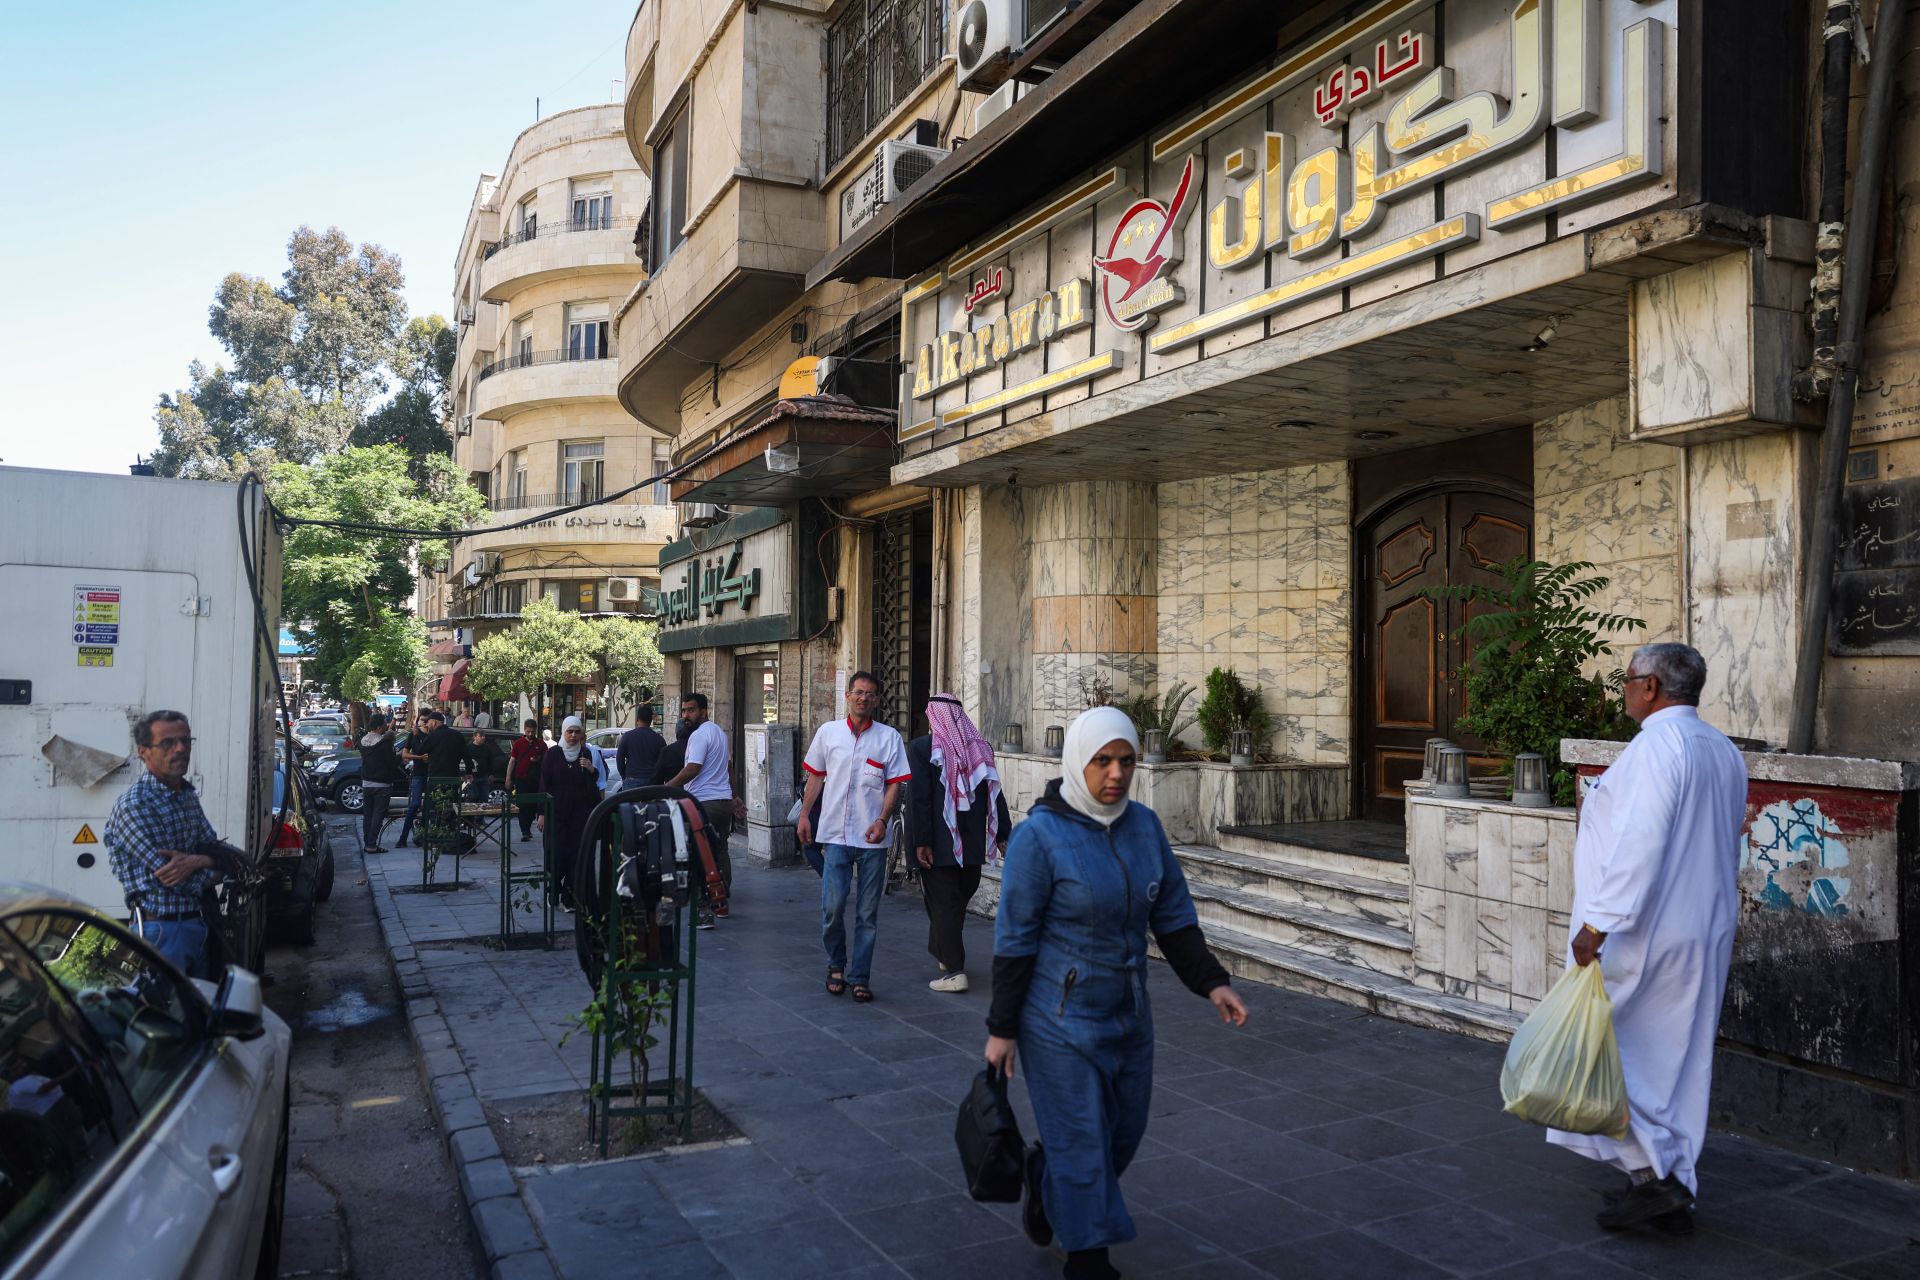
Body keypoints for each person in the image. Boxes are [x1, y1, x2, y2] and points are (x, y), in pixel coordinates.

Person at [985, 707, 1248, 1280]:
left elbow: (1174, 917)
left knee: (1121, 1135)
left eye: (1126, 761)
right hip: (1056, 1019)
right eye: (1102, 760)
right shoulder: (1039, 838)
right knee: (1082, 1142)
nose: (1116, 773)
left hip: (1128, 1012)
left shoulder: (1144, 827)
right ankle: (1089, 1261)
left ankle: (1043, 1180)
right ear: (1078, 763)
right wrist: (1002, 1029)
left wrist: (1212, 981)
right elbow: (1015, 938)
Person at [1551, 643, 1747, 1233]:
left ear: (1652, 688)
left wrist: (1596, 925)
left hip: (1646, 933)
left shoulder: (1658, 747)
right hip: (1702, 925)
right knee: (1677, 1060)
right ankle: (1667, 1181)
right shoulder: (1722, 749)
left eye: (1629, 681)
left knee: (1614, 1050)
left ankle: (1655, 1177)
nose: (1624, 691)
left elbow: (1641, 844)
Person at [795, 672, 911, 1001]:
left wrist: (883, 819)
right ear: (848, 696)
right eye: (858, 692)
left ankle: (860, 976)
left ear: (876, 701)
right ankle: (835, 965)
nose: (863, 698)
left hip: (873, 839)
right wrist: (805, 815)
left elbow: (895, 784)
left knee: (866, 914)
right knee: (832, 908)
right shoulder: (828, 733)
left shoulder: (889, 738)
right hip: (834, 835)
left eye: (870, 694)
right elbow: (815, 777)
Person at [103, 710, 226, 978]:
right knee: (163, 1016)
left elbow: (216, 849)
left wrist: (198, 861)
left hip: (197, 925)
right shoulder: (135, 806)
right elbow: (175, 878)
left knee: (200, 1014)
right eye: (168, 743)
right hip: (160, 934)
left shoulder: (186, 795)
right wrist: (219, 871)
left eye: (186, 741)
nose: (181, 749)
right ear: (144, 752)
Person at [907, 693, 1011, 992]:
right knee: (952, 905)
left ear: (933, 716)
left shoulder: (923, 748)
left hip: (939, 847)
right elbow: (997, 796)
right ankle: (943, 953)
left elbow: (921, 799)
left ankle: (954, 971)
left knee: (944, 905)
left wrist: (921, 841)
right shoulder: (980, 749)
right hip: (973, 847)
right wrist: (1003, 834)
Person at [664, 693, 743, 928]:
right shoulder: (719, 732)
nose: (686, 715)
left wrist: (667, 786)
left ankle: (704, 909)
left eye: (691, 710)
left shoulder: (699, 736)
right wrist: (734, 796)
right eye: (684, 710)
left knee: (699, 856)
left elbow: (693, 768)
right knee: (720, 850)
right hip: (721, 802)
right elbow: (729, 767)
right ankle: (722, 901)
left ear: (704, 711)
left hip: (703, 803)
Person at [539, 716, 606, 906]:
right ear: (563, 732)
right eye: (570, 731)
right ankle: (553, 890)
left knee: (576, 857)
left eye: (577, 732)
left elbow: (591, 784)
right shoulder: (553, 755)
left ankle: (570, 897)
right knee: (556, 854)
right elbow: (544, 784)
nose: (574, 735)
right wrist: (542, 813)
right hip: (557, 814)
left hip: (579, 815)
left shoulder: (585, 753)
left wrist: (592, 769)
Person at [356, 714, 407, 855]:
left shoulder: (362, 741)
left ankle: (368, 843)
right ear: (379, 727)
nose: (387, 725)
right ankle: (371, 845)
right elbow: (391, 763)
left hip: (366, 783)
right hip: (382, 784)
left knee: (368, 815)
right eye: (385, 723)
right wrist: (400, 757)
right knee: (378, 815)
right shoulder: (384, 744)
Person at [394, 713, 429, 848]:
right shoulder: (413, 735)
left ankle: (423, 836)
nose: (425, 722)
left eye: (427, 720)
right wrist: (419, 757)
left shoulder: (431, 735)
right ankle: (403, 837)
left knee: (428, 806)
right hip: (419, 773)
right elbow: (404, 754)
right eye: (422, 720)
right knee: (414, 805)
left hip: (430, 773)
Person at [509, 720, 545, 841]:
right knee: (522, 806)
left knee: (533, 806)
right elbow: (512, 761)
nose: (530, 734)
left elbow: (546, 761)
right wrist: (508, 778)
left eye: (532, 731)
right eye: (528, 731)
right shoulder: (518, 743)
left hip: (535, 780)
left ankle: (527, 827)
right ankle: (525, 831)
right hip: (521, 779)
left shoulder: (541, 744)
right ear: (524, 730)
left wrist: (538, 760)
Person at [616, 705, 666, 791]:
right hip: (652, 781)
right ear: (651, 720)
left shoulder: (627, 736)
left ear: (637, 719)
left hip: (632, 780)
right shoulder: (659, 739)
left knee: (630, 804)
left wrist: (624, 776)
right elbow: (663, 763)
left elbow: (619, 759)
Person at [466, 728, 506, 801]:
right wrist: (466, 774)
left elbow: (491, 761)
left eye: (484, 736)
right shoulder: (469, 748)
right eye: (480, 736)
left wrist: (491, 774)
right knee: (473, 797)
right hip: (472, 777)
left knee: (484, 798)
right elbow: (465, 762)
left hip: (484, 777)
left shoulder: (487, 748)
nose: (483, 737)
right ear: (474, 737)